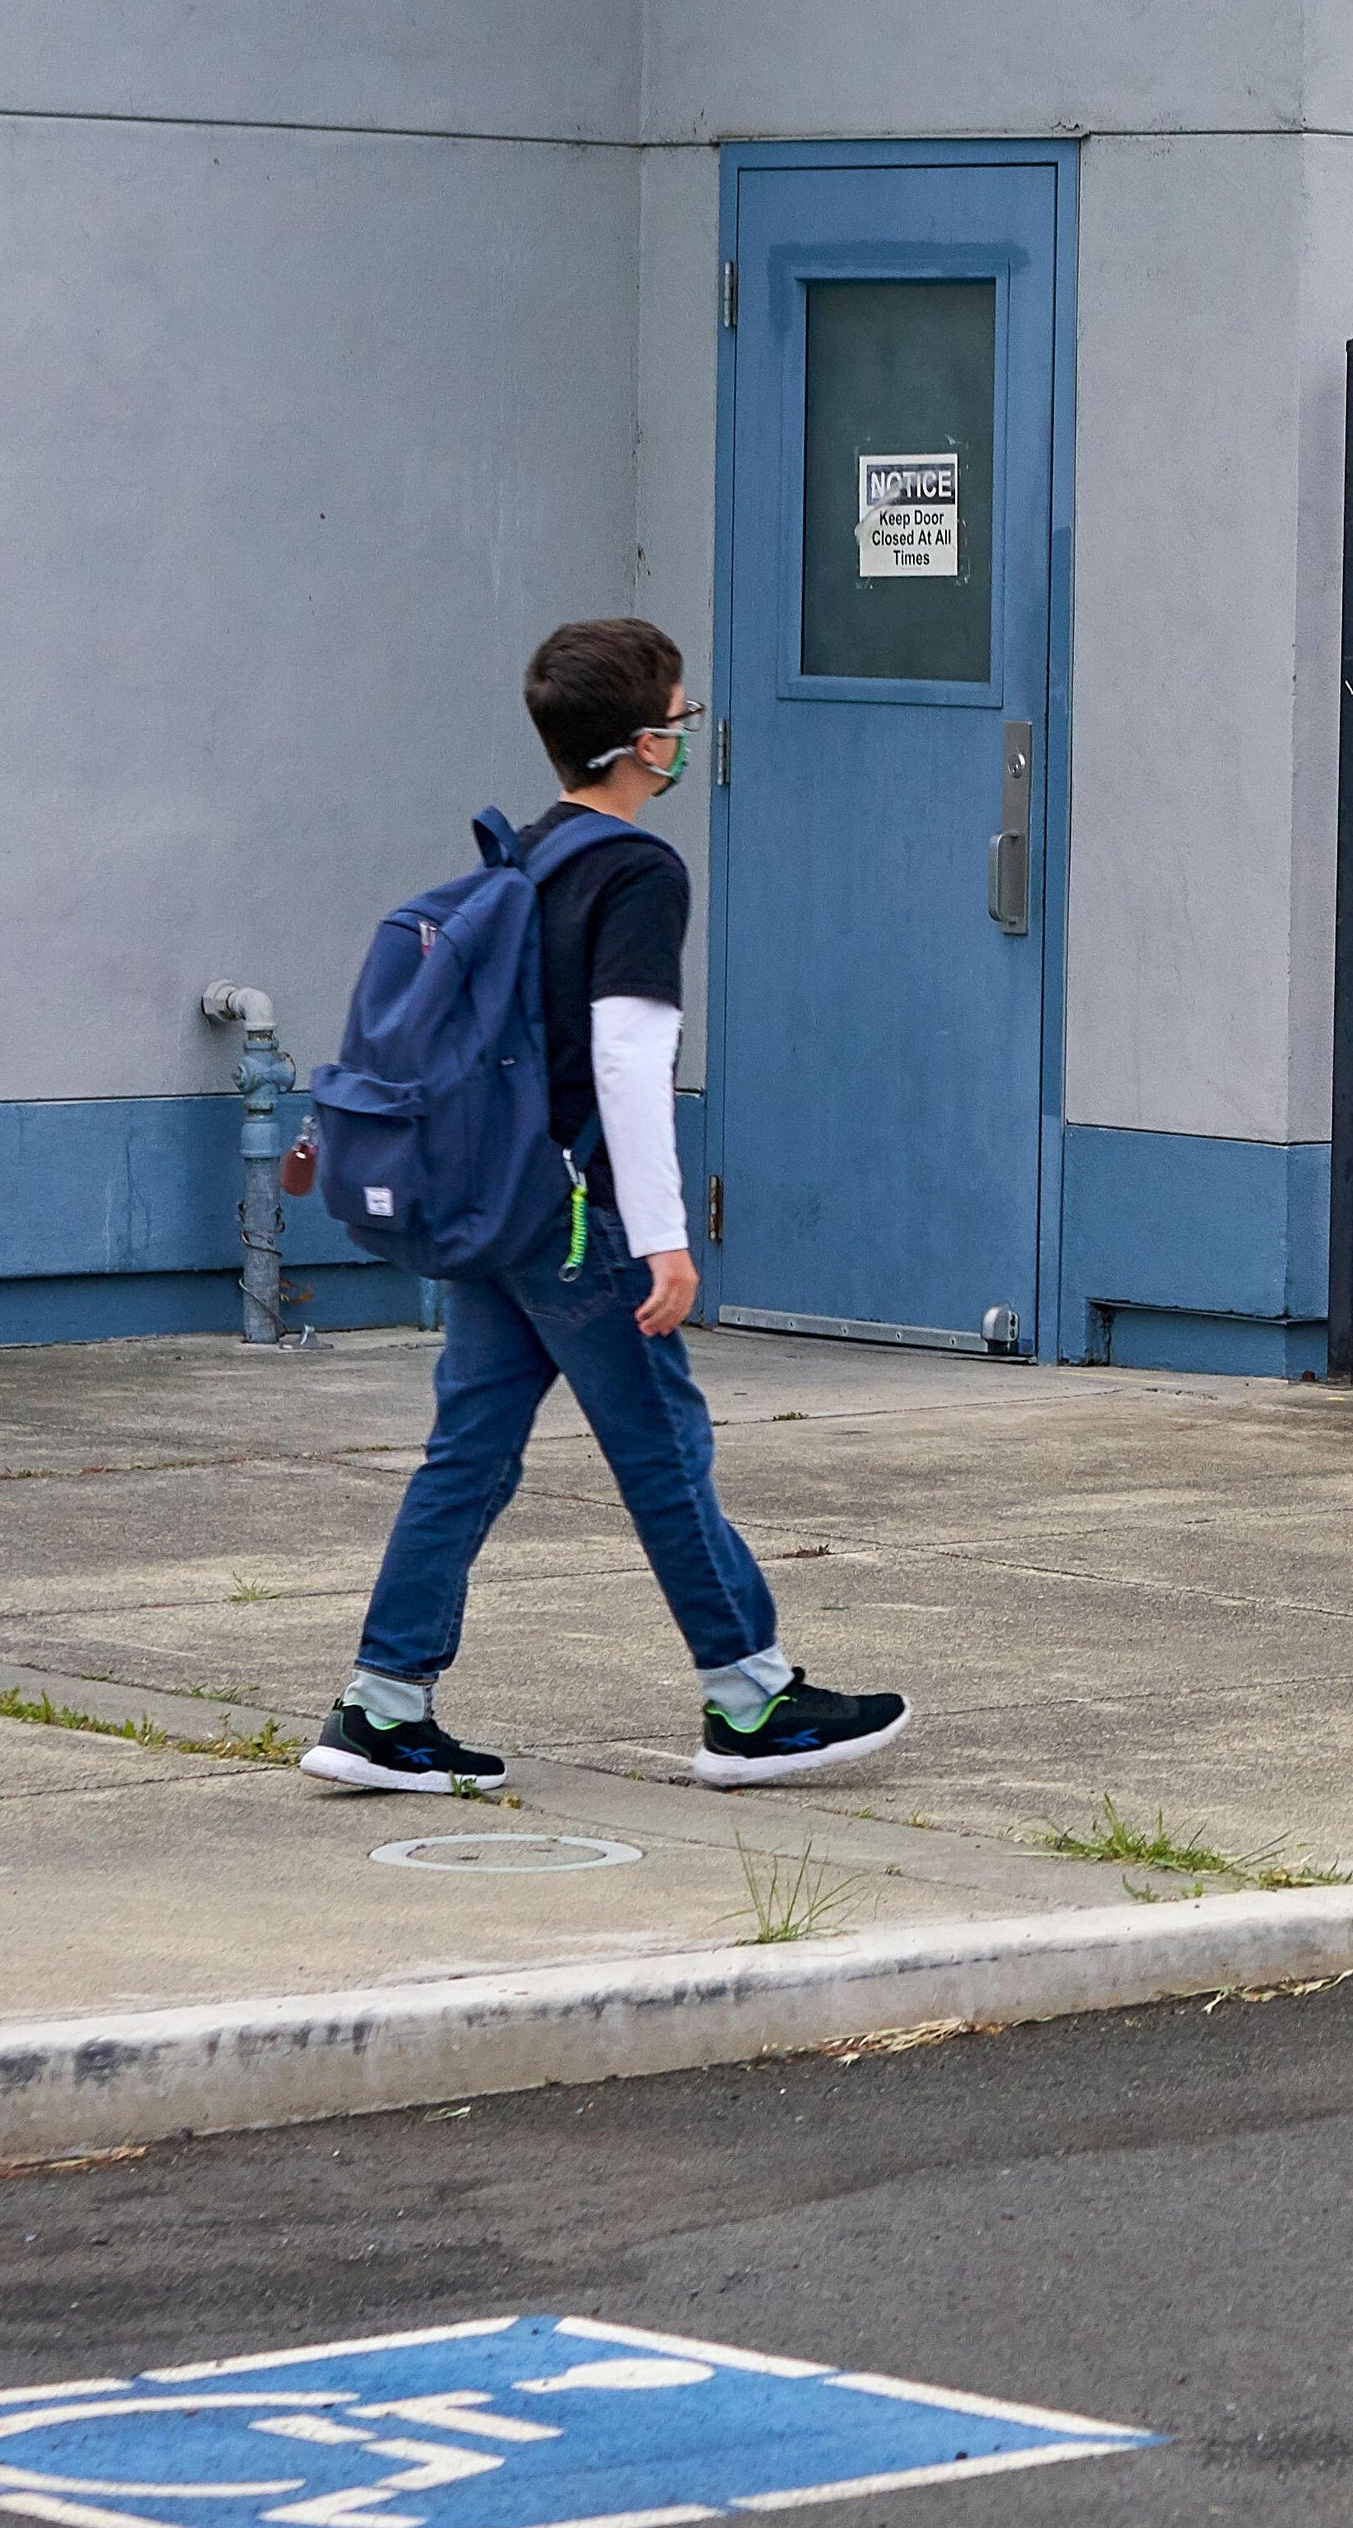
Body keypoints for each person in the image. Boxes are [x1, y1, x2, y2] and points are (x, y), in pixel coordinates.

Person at [303, 618, 912, 1794]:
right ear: (641, 743)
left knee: (468, 1452)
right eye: (679, 718)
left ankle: (383, 1705)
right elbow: (630, 1061)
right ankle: (750, 1701)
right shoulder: (636, 870)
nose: (685, 736)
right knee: (663, 1449)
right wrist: (667, 1240)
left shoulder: (522, 862)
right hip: (582, 1224)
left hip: (497, 1212)